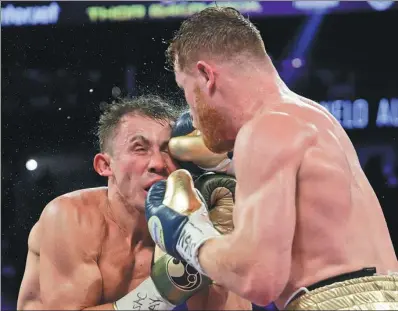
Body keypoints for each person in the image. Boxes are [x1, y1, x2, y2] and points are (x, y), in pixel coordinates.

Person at [145, 7, 398, 310]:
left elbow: (259, 279)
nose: (194, 116)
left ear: (206, 75)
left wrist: (186, 235)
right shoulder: (314, 116)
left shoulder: (262, 130)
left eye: (187, 92)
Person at [17, 95, 252, 310]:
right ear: (105, 165)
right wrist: (165, 288)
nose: (158, 163)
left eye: (167, 150)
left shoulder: (188, 221)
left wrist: (218, 239)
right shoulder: (70, 217)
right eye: (140, 148)